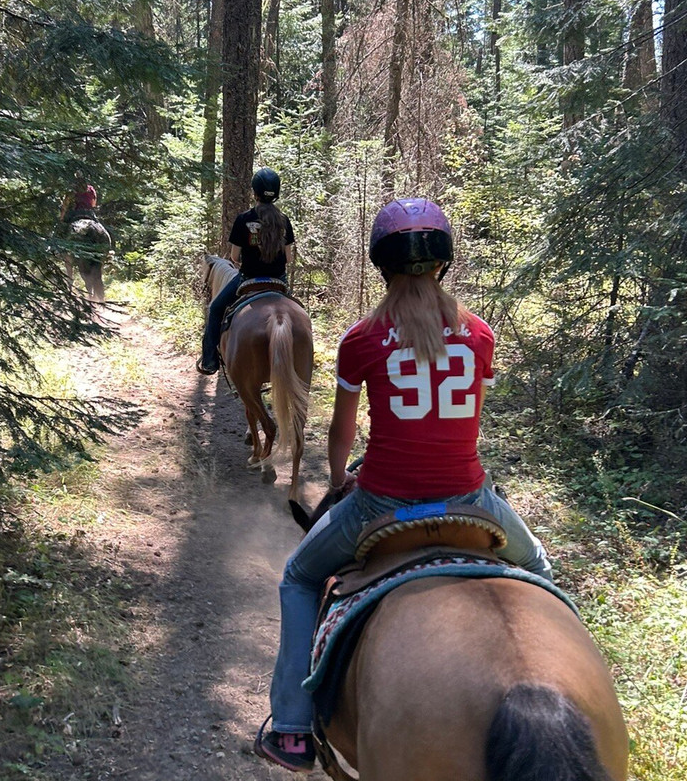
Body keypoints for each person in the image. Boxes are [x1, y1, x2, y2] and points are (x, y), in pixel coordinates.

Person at [253, 197, 554, 773]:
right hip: (472, 499)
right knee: (538, 569)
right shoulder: (480, 334)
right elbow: (469, 424)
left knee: (298, 575)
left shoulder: (362, 339)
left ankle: (291, 727)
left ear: (380, 264)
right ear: (443, 262)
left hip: (381, 503)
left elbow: (343, 432)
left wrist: (342, 481)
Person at [196, 167, 295, 375]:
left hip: (248, 279)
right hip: (278, 281)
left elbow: (233, 257)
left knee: (215, 309)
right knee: (297, 313)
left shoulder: (244, 219)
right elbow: (289, 258)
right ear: (276, 193)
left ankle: (209, 360)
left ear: (255, 192)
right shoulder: (284, 221)